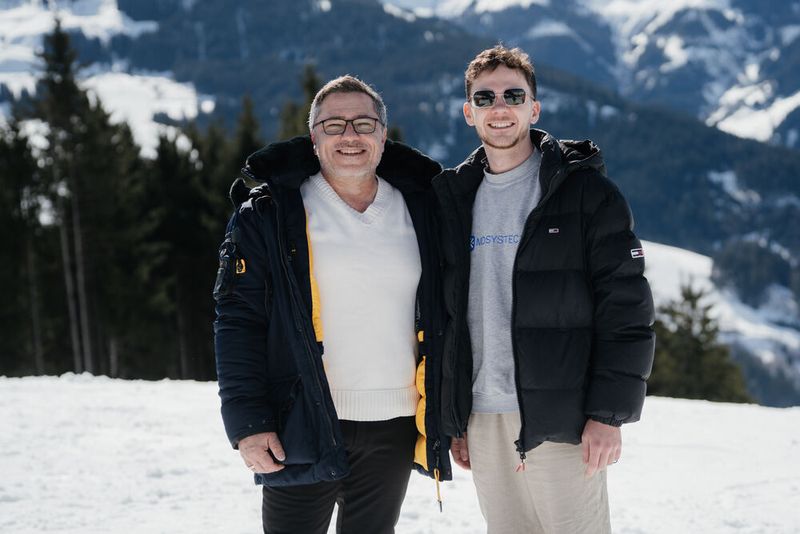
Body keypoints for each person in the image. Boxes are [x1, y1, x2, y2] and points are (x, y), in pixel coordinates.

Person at [213, 75, 450, 534]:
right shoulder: (269, 214)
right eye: (333, 124)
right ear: (314, 138)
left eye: (364, 123)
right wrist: (248, 423)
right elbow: (237, 322)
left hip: (395, 424)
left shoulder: (425, 208)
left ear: (383, 135)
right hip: (300, 421)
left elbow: (451, 315)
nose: (349, 136)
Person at [433, 46, 656, 533]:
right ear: (468, 112)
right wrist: (455, 418)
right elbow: (448, 316)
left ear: (534, 109)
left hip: (563, 416)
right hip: (483, 414)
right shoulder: (453, 199)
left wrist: (608, 415)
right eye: (485, 97)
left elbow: (627, 311)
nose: (500, 107)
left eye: (514, 94)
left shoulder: (585, 194)